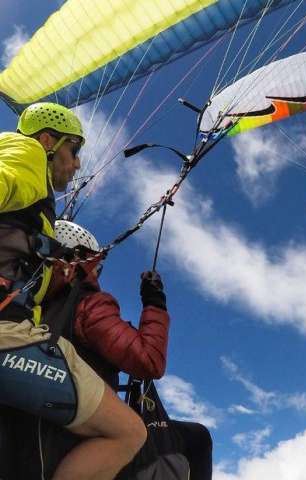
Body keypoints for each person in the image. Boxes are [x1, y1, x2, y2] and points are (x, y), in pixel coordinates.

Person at [0, 102, 146, 480]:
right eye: (74, 149)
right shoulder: (26, 152)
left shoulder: (33, 205)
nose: (78, 163)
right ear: (48, 140)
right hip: (7, 334)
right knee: (128, 433)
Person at [43, 220, 213, 480]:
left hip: (40, 426)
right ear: (78, 259)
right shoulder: (88, 305)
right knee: (197, 437)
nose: (97, 273)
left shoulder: (32, 305)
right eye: (96, 265)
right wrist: (155, 301)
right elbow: (148, 361)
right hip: (81, 435)